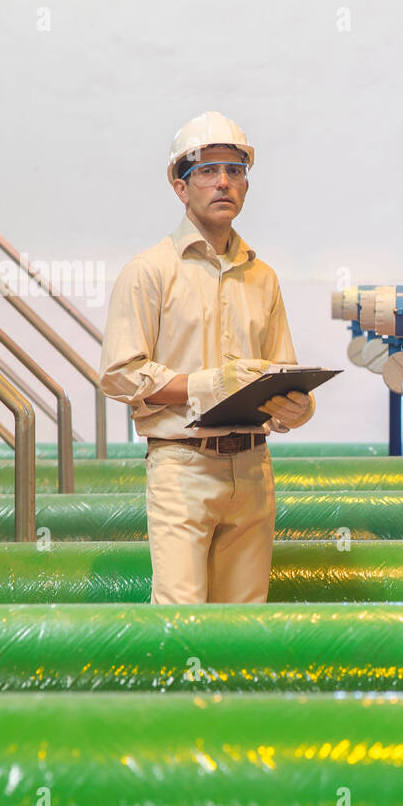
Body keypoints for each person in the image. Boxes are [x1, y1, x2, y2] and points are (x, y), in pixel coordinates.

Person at [99, 111, 314, 603]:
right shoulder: (149, 272)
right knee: (181, 623)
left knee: (243, 626)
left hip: (254, 468)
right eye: (208, 171)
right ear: (181, 187)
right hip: (182, 467)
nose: (224, 183)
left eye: (235, 171)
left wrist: (296, 407)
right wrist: (207, 386)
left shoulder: (264, 278)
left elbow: (281, 370)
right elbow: (118, 374)